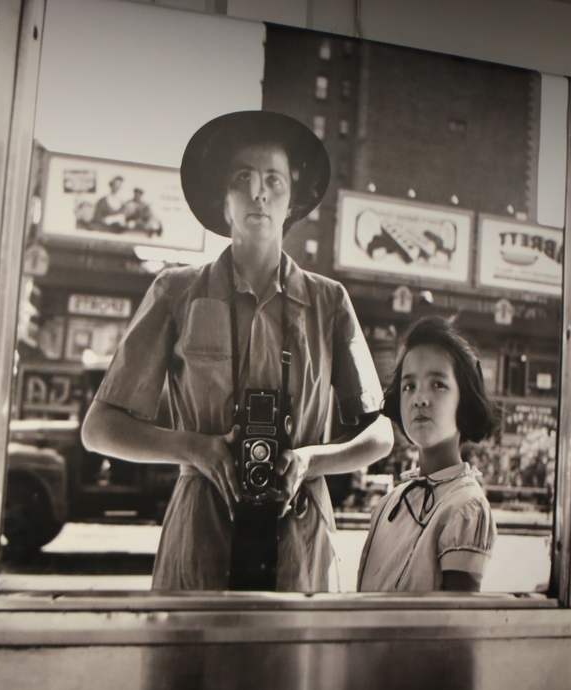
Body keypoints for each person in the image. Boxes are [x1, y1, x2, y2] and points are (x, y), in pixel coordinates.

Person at [81, 111, 392, 591]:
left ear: (292, 200)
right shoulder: (175, 291)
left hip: (300, 540)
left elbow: (381, 436)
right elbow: (99, 429)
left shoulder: (329, 302)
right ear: (223, 203)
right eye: (241, 178)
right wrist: (195, 449)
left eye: (273, 179)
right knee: (193, 666)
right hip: (201, 538)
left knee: (296, 667)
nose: (259, 191)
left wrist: (311, 461)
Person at [356, 316, 501, 592]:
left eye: (438, 384)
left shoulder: (465, 508)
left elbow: (453, 626)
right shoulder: (389, 504)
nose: (419, 398)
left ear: (464, 401)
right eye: (409, 386)